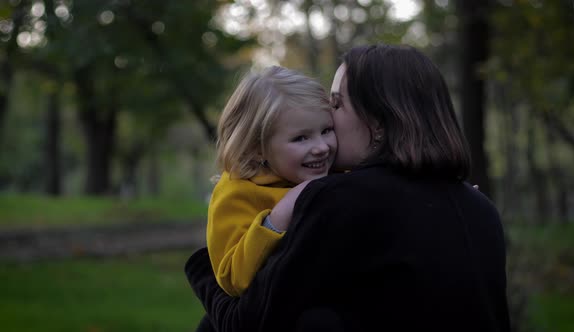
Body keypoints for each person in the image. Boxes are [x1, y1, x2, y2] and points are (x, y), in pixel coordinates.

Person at [186, 44, 511, 332]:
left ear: (379, 123)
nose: (326, 128)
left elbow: (245, 322)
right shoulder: (480, 208)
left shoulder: (340, 198)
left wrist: (203, 268)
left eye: (337, 105)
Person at [196, 65, 337, 331]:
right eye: (300, 138)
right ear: (257, 147)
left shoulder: (337, 173)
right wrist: (277, 218)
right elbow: (232, 278)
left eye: (327, 130)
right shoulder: (236, 193)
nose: (321, 147)